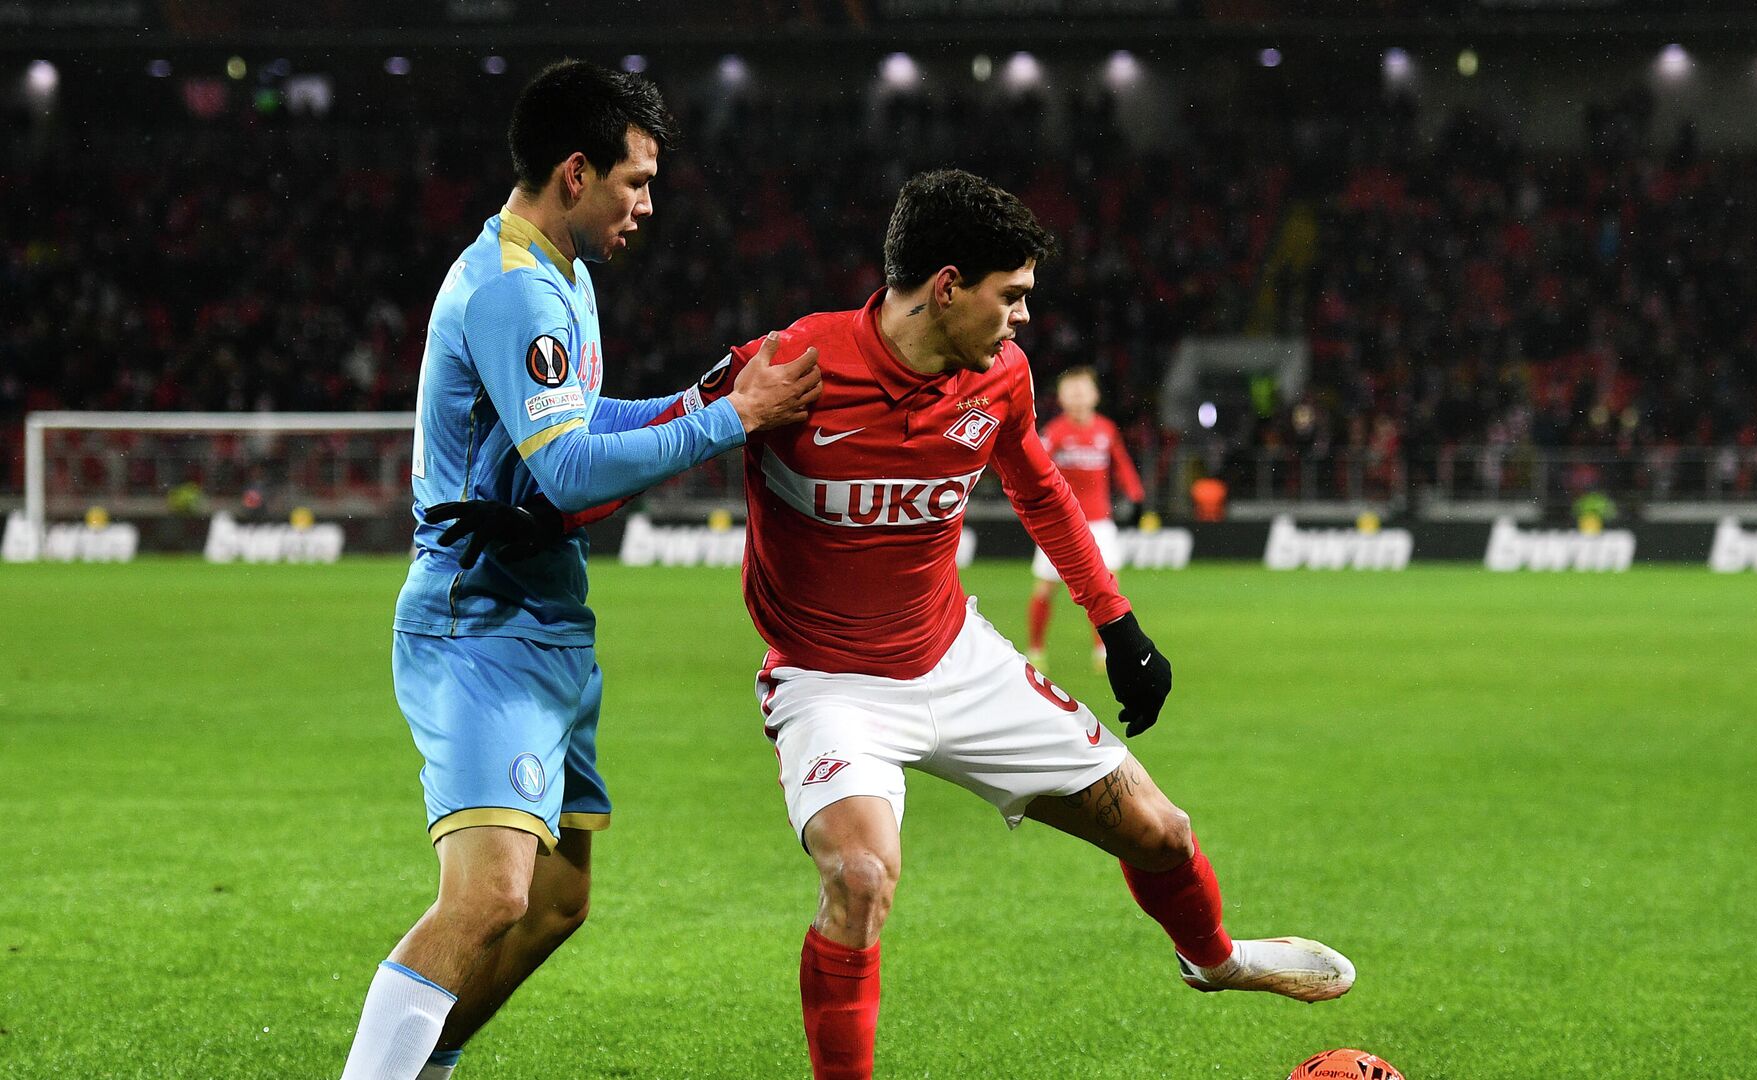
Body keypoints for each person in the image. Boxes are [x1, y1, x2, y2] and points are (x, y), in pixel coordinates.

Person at [438, 169, 1353, 1080]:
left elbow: (1040, 489)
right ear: (948, 287)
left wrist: (1116, 623)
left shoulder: (1000, 380)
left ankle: (1215, 959)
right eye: (1013, 296)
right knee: (862, 878)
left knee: (1163, 833)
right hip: (827, 683)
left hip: (955, 658)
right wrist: (538, 511)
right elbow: (659, 438)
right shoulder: (794, 362)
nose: (1023, 318)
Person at [338, 60, 821, 1080]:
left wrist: (701, 392)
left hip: (549, 621)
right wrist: (731, 418)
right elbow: (563, 468)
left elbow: (583, 420)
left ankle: (421, 1064)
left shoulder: (563, 272)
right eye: (634, 181)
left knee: (557, 901)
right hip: (481, 624)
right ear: (574, 173)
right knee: (489, 898)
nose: (646, 204)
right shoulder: (512, 287)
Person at [1025, 366, 1145, 673]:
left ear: (1095, 395)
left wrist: (1135, 494)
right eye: (1071, 391)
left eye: (1082, 391)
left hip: (1100, 523)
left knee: (1108, 587)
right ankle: (1036, 648)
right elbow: (1031, 468)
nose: (1077, 398)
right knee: (1045, 589)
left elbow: (1122, 465)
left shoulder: (1106, 430)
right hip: (1062, 524)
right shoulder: (1054, 433)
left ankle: (1103, 650)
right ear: (1061, 397)